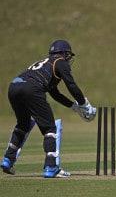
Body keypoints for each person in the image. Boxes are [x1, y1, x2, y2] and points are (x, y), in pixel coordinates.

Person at [1, 40, 96, 177]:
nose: (68, 59)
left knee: (23, 124)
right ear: (63, 53)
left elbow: (55, 93)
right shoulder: (60, 62)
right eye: (68, 55)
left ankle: (8, 160)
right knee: (50, 128)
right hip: (32, 88)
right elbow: (71, 85)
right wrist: (84, 104)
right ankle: (51, 167)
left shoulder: (46, 63)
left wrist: (74, 106)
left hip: (14, 86)